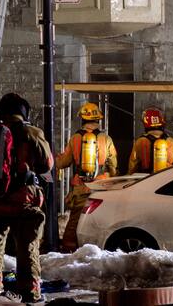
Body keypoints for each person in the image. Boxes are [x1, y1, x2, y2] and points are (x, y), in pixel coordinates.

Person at [0, 93, 53, 304]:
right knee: (27, 248)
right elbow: (47, 165)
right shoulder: (33, 133)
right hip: (24, 200)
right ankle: (29, 293)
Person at [54, 102, 117, 251]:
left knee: (75, 221)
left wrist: (55, 160)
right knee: (100, 222)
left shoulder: (75, 138)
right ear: (98, 119)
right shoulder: (106, 139)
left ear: (82, 119)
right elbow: (113, 165)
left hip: (81, 188)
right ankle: (98, 251)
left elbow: (63, 162)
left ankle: (68, 251)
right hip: (102, 188)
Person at [127, 107, 173, 175]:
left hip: (147, 179)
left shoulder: (140, 142)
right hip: (167, 178)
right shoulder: (172, 142)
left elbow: (132, 166)